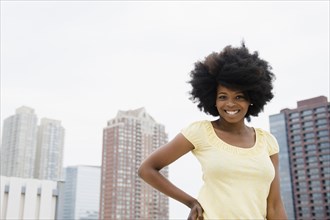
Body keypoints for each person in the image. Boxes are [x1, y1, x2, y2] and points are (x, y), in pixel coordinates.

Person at [138, 42, 288, 220]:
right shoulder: (200, 132)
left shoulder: (268, 142)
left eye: (239, 97)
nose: (230, 104)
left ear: (252, 99)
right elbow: (147, 169)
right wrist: (191, 202)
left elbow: (274, 205)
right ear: (213, 101)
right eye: (223, 97)